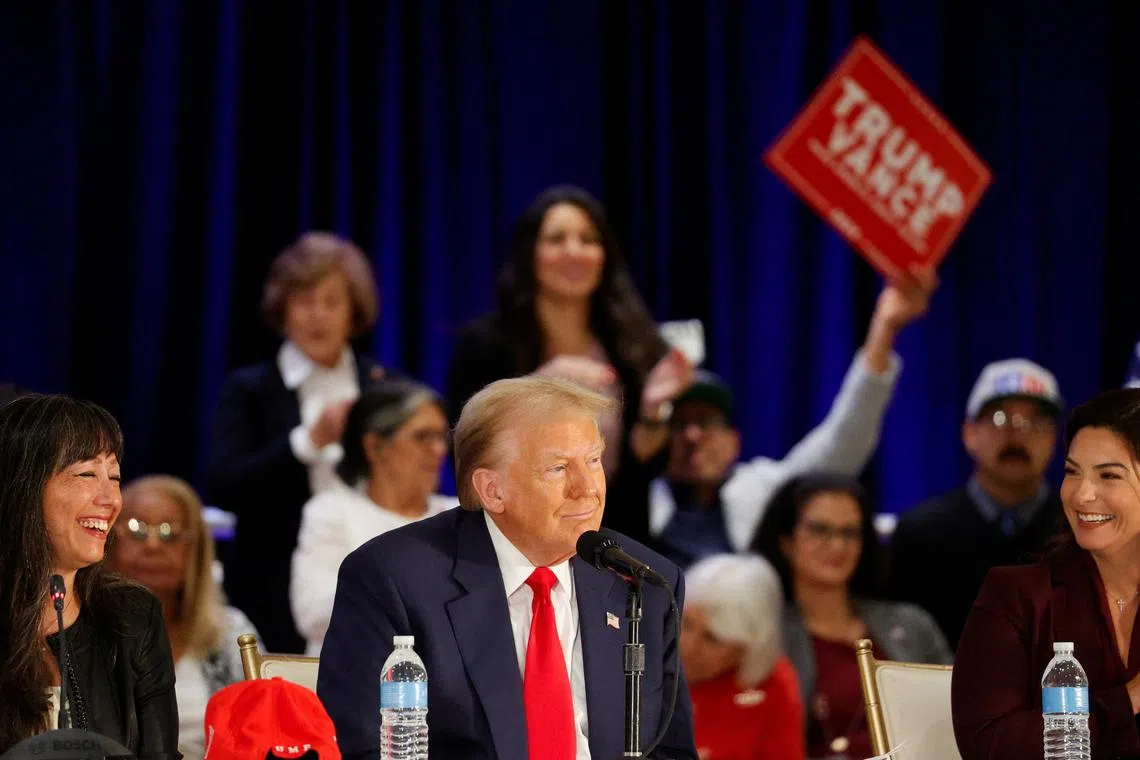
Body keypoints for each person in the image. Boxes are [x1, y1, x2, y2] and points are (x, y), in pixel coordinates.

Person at [317, 376, 696, 760]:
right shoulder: (392, 579)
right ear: (492, 490)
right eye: (558, 468)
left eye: (594, 460)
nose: (588, 488)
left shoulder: (641, 581)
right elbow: (362, 748)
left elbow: (671, 751)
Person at [643, 255, 934, 567]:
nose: (692, 435)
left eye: (707, 422)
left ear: (735, 441)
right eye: (678, 424)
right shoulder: (632, 499)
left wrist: (884, 328)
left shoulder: (762, 490)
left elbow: (843, 443)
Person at [445, 185, 694, 537]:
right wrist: (536, 391)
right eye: (556, 239)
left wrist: (655, 410)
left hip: (613, 539)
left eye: (588, 240)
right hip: (514, 539)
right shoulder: (485, 346)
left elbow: (643, 467)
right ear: (530, 252)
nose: (574, 252)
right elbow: (468, 454)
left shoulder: (633, 345)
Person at [207, 231, 398, 653]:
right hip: (274, 584)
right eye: (304, 302)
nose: (319, 316)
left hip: (375, 573)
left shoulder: (383, 385)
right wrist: (307, 442)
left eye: (332, 302)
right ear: (283, 309)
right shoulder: (251, 389)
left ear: (354, 311)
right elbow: (224, 483)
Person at [952, 388, 1140, 759]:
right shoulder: (1018, 595)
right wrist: (1128, 699)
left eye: (1108, 476)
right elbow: (989, 744)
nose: (1082, 494)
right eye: (1073, 472)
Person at [0, 394, 177, 756]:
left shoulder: (134, 616)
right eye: (86, 474)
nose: (110, 498)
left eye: (113, 476)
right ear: (23, 486)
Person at [751, 473, 950, 760]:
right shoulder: (764, 635)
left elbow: (957, 714)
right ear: (786, 541)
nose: (837, 546)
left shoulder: (911, 623)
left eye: (850, 533)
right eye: (820, 530)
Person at [889, 359, 1064, 648]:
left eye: (1034, 421)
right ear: (970, 433)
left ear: (1054, 438)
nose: (1015, 433)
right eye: (999, 418)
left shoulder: (1081, 529)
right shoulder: (920, 535)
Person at [291, 380, 457, 655]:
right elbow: (313, 613)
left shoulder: (458, 514)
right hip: (348, 676)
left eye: (441, 437)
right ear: (375, 447)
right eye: (423, 437)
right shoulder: (332, 512)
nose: (438, 450)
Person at [107, 475, 258, 760]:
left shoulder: (231, 632)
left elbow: (261, 731)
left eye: (170, 533)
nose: (153, 545)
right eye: (137, 529)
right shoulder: (82, 629)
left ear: (195, 550)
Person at [683, 554, 804, 760]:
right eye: (686, 624)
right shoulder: (638, 655)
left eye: (712, 638)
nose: (688, 646)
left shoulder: (775, 683)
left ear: (746, 647)